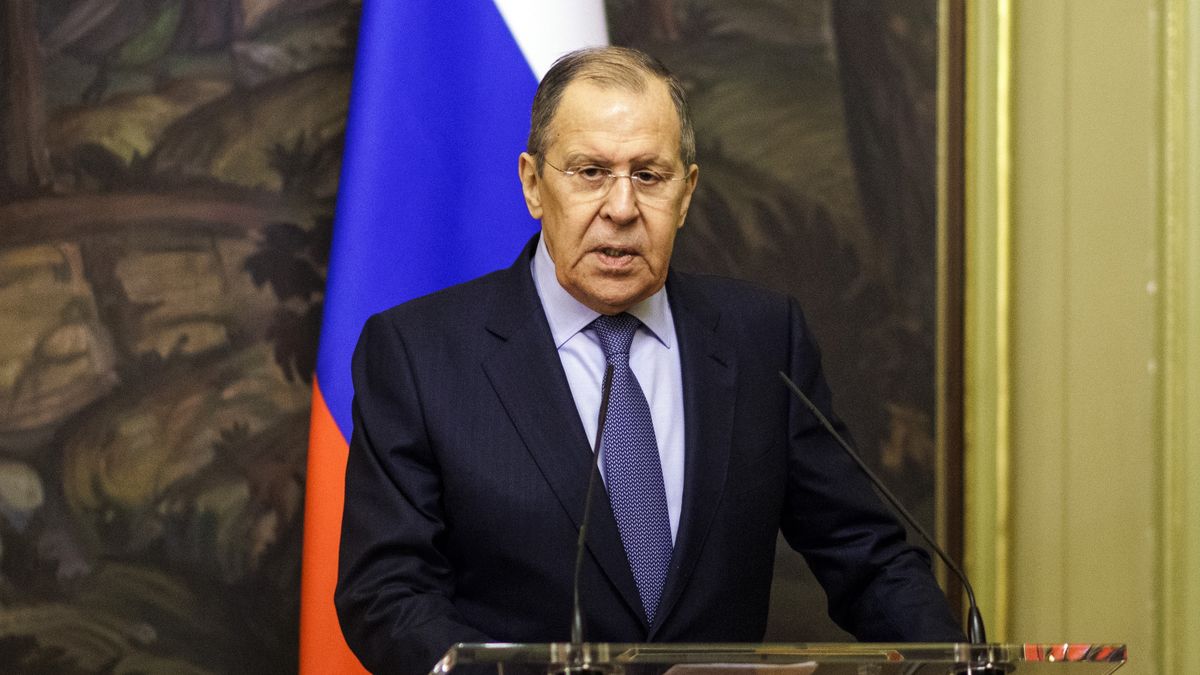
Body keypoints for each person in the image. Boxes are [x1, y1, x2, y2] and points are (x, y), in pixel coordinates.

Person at [335, 46, 963, 675]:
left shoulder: (762, 339)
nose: (621, 208)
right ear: (532, 184)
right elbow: (388, 597)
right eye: (589, 171)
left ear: (686, 194)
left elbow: (868, 558)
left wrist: (953, 663)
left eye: (649, 175)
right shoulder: (421, 352)